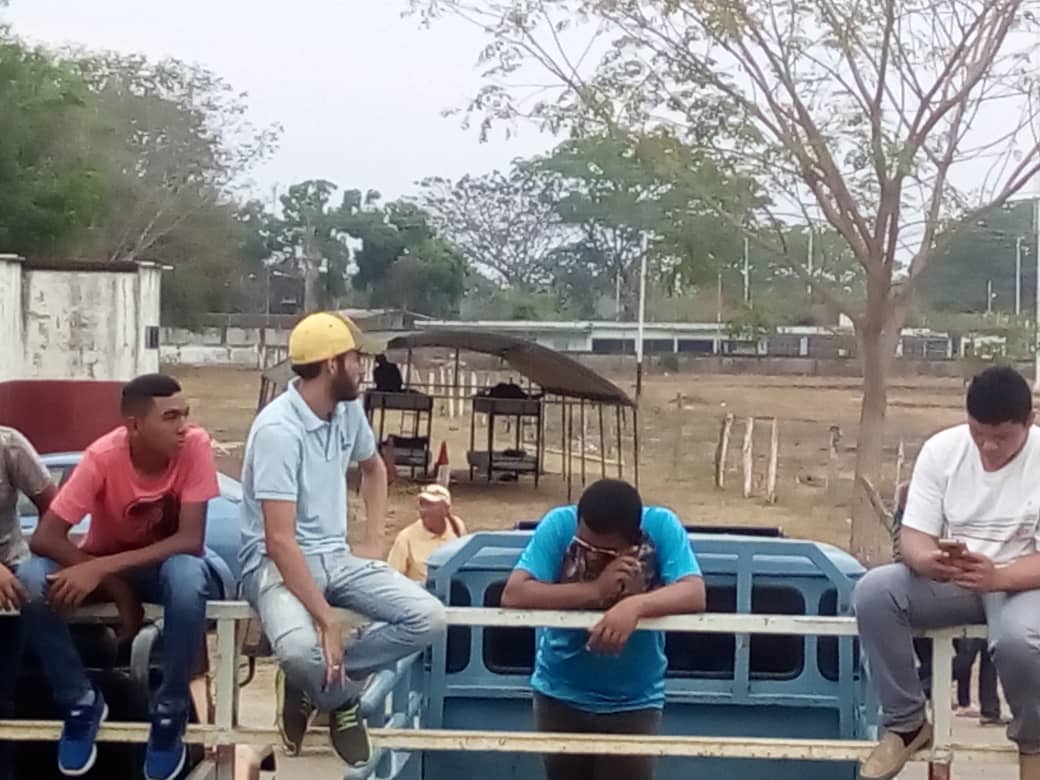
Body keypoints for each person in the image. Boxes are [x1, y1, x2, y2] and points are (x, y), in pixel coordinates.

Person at [239, 312, 446, 767]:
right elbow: (279, 540)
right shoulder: (279, 431)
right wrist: (327, 620)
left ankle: (318, 686)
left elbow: (373, 469)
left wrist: (373, 540)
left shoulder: (347, 410)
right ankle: (342, 701)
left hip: (335, 555)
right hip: (274, 563)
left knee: (428, 618)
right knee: (296, 649)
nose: (363, 367)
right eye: (355, 358)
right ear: (332, 364)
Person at [17, 374, 221, 780]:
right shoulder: (102, 457)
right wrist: (113, 586)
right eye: (170, 417)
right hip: (114, 566)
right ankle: (79, 701)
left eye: (186, 414)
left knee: (186, 576)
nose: (184, 426)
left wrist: (100, 570)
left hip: (172, 565)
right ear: (134, 425)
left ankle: (170, 711)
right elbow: (44, 537)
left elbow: (189, 540)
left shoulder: (194, 446)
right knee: (32, 576)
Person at [855, 366, 1040, 780]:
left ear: (1030, 422)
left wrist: (1000, 577)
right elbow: (915, 535)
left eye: (1003, 437)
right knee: (875, 592)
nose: (989, 446)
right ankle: (907, 723)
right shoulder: (942, 450)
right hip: (955, 579)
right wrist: (927, 561)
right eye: (979, 434)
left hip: (1023, 582)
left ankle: (1033, 742)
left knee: (1020, 641)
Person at [501, 479, 706, 780]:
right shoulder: (559, 524)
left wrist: (635, 607)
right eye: (584, 545)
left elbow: (694, 592)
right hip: (559, 694)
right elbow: (514, 594)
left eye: (606, 551)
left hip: (634, 701)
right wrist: (596, 591)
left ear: (633, 542)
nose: (592, 554)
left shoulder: (661, 526)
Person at [0, 427, 58, 780]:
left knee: (3, 701)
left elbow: (56, 510)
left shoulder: (8, 445)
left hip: (9, 583)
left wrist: (34, 564)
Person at [387, 484, 466, 583]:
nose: (424, 511)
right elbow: (391, 578)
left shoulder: (457, 526)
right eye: (422, 504)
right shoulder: (405, 537)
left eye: (430, 505)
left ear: (445, 510)